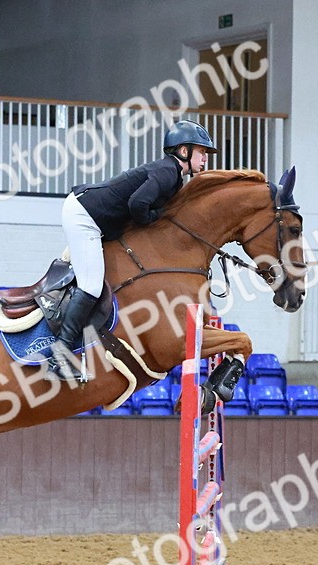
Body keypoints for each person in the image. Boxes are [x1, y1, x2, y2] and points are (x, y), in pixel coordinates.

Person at [51, 119, 216, 378]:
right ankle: (60, 356)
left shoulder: (174, 177)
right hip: (84, 216)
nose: (205, 158)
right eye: (202, 151)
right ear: (184, 151)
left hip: (95, 215)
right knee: (91, 286)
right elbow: (138, 204)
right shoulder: (167, 172)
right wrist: (156, 217)